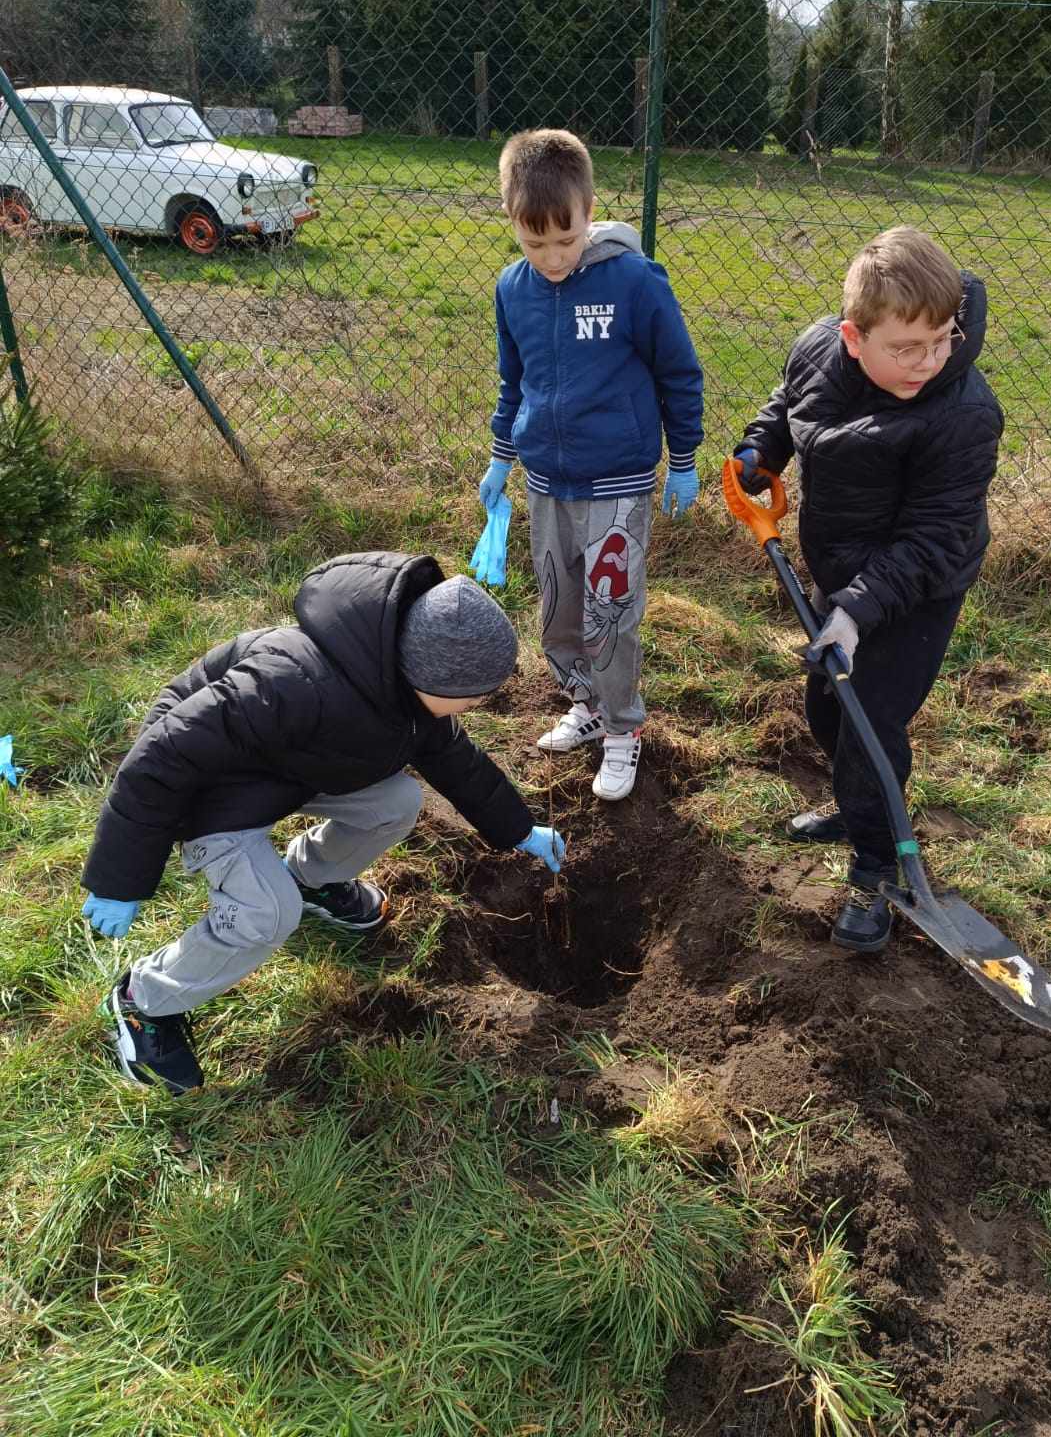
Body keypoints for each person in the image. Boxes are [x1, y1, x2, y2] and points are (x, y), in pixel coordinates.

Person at [80, 552, 565, 1093]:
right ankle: (144, 1000)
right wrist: (119, 881)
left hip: (288, 770)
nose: (480, 703)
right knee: (265, 914)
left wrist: (520, 829)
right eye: (476, 693)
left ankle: (309, 879)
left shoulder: (404, 692)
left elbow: (458, 763)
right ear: (434, 675)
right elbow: (159, 759)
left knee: (398, 801)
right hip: (210, 790)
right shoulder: (289, 683)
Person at [733, 226, 1003, 954]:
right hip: (843, 567)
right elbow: (789, 401)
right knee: (826, 704)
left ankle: (878, 869)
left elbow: (935, 536)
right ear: (854, 337)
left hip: (919, 584)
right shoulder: (822, 347)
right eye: (906, 349)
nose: (930, 361)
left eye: (943, 339)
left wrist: (854, 610)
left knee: (869, 717)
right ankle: (856, 809)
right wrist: (758, 453)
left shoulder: (962, 414)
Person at [479, 128, 704, 802]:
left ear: (589, 209)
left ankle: (624, 729)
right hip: (548, 480)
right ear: (512, 224)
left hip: (619, 481)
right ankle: (586, 703)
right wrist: (500, 458)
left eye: (566, 239)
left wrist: (684, 458)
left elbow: (679, 371)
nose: (552, 257)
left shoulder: (633, 282)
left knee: (611, 608)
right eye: (534, 241)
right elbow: (511, 382)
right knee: (558, 607)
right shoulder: (513, 289)